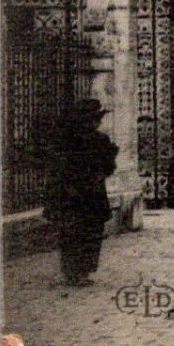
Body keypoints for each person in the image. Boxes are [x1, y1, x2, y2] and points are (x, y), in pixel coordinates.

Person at [45, 99, 117, 286]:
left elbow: (55, 166)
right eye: (97, 118)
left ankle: (70, 272)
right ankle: (83, 272)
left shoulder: (63, 140)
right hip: (91, 195)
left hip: (68, 195)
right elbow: (109, 168)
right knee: (91, 232)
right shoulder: (100, 140)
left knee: (69, 232)